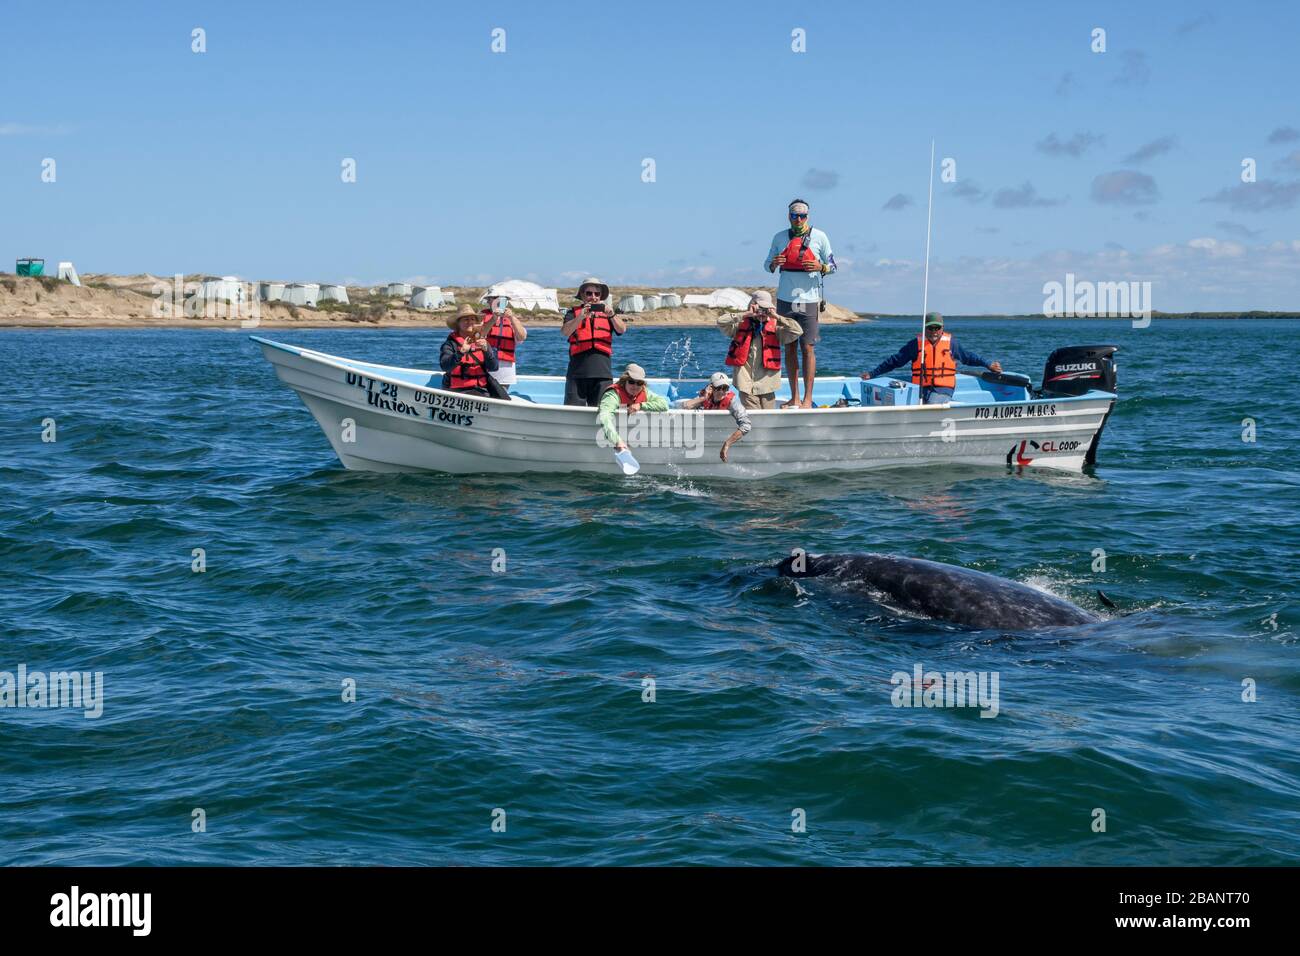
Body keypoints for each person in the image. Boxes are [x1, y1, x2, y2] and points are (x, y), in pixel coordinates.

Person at [764, 198, 835, 408]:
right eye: (795, 215)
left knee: (808, 348)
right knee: (790, 348)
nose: (798, 219)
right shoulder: (779, 238)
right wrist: (774, 263)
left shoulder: (820, 237)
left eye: (802, 216)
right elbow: (766, 264)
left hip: (809, 300)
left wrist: (820, 266)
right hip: (786, 299)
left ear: (808, 216)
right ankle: (794, 397)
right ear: (789, 216)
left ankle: (807, 398)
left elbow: (833, 265)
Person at [861, 313, 1003, 404]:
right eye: (930, 328)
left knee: (933, 405)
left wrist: (988, 364)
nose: (934, 331)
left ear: (942, 328)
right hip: (920, 388)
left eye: (937, 328)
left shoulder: (951, 344)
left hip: (943, 389)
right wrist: (872, 374)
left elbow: (970, 357)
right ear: (925, 328)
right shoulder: (915, 345)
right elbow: (894, 361)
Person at [719, 290, 803, 409]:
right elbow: (721, 322)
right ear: (752, 305)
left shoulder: (775, 328)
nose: (762, 313)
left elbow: (797, 331)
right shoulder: (739, 326)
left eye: (766, 309)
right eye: (760, 308)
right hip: (746, 384)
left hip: (767, 385)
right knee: (755, 418)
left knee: (766, 419)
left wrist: (777, 316)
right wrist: (746, 314)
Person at [561, 276, 627, 407]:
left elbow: (622, 329)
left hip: (603, 375)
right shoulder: (572, 313)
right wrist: (580, 317)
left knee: (602, 412)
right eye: (589, 293)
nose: (593, 297)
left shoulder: (609, 314)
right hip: (577, 375)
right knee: (573, 413)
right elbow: (565, 332)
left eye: (597, 294)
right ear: (582, 295)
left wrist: (612, 315)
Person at [674, 372, 752, 463]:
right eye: (719, 388)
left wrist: (727, 444)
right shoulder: (706, 397)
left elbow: (746, 425)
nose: (722, 392)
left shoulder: (732, 402)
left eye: (725, 388)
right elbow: (682, 407)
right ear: (711, 388)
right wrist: (703, 398)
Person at [597, 363, 669, 452]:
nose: (635, 386)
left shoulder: (644, 392)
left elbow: (664, 404)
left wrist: (641, 405)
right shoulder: (612, 395)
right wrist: (617, 441)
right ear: (624, 381)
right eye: (631, 382)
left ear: (643, 384)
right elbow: (605, 417)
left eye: (639, 383)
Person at [439, 304, 499, 396]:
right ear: (458, 324)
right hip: (456, 391)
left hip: (481, 390)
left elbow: (494, 367)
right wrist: (461, 352)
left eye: (472, 319)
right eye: (465, 319)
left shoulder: (483, 342)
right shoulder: (450, 344)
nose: (470, 322)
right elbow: (445, 366)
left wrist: (486, 350)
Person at [479, 294, 527, 393]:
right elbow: (479, 335)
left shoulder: (512, 320)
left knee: (501, 396)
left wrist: (512, 318)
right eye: (495, 299)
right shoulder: (481, 317)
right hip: (484, 366)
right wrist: (493, 319)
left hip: (505, 371)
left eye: (502, 300)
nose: (499, 302)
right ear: (488, 301)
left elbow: (522, 337)